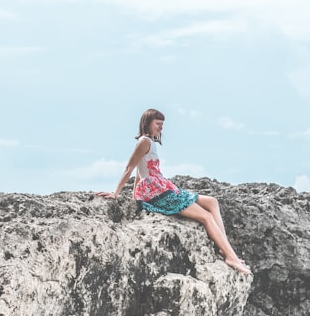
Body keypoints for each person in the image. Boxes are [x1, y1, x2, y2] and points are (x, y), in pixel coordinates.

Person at [99, 108, 250, 275]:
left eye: (162, 124)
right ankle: (231, 257)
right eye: (158, 124)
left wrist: (135, 194)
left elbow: (139, 171)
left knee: (212, 202)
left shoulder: (150, 142)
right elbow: (129, 167)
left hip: (162, 187)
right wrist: (116, 193)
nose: (161, 127)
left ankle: (225, 248)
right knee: (206, 217)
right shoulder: (144, 142)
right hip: (157, 193)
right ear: (147, 123)